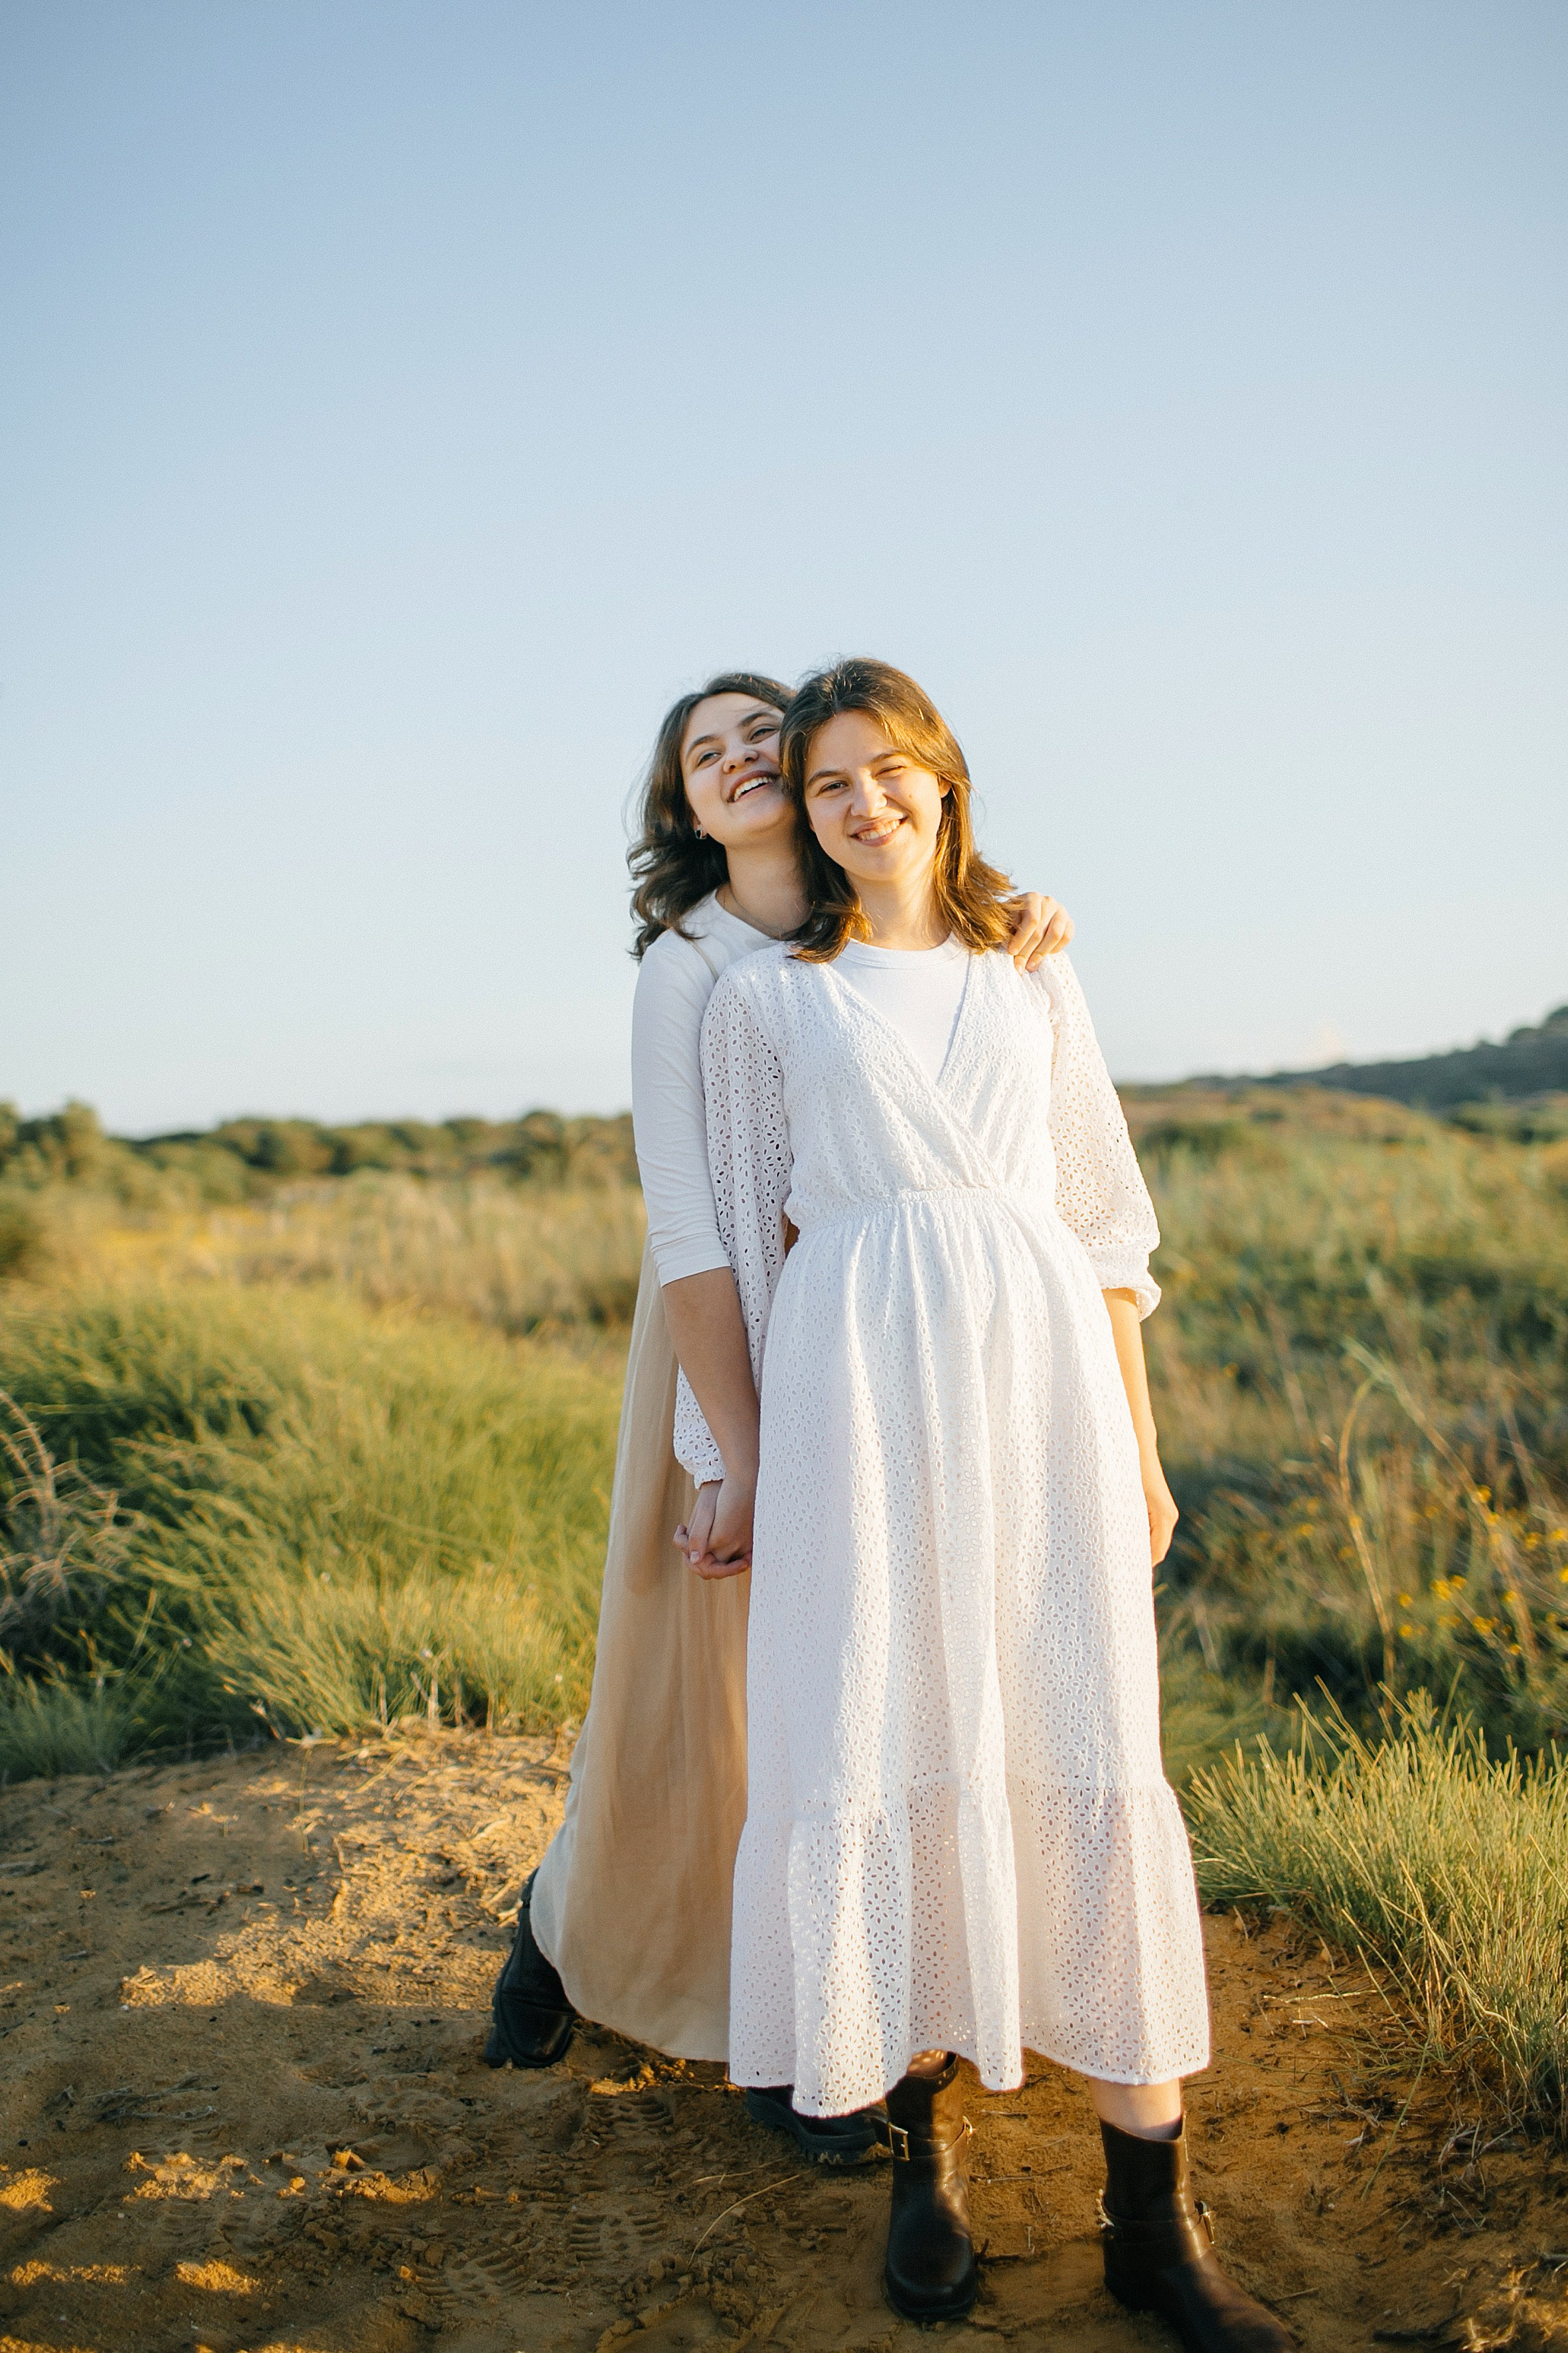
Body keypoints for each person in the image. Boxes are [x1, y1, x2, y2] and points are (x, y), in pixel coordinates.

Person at [679, 659, 1289, 2350]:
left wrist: (1142, 1440)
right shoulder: (764, 1004)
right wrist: (724, 1453)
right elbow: (735, 1242)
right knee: (880, 1732)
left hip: (1039, 1392)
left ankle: (1149, 2227)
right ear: (797, 817)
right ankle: (914, 2152)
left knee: (1078, 1734)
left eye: (890, 772)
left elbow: (1101, 1220)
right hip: (852, 1395)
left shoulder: (1032, 970)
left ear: (943, 783)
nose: (861, 804)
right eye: (825, 785)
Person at [485, 671, 1073, 2167]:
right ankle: (649, 1969)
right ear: (681, 807)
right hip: (724, 1352)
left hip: (889, 1352)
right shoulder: (690, 964)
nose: (744, 760)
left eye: (767, 738)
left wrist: (1023, 921)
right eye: (708, 751)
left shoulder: (863, 920)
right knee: (710, 1693)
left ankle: (910, 1975)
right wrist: (734, 1452)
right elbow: (692, 1231)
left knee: (871, 1676)